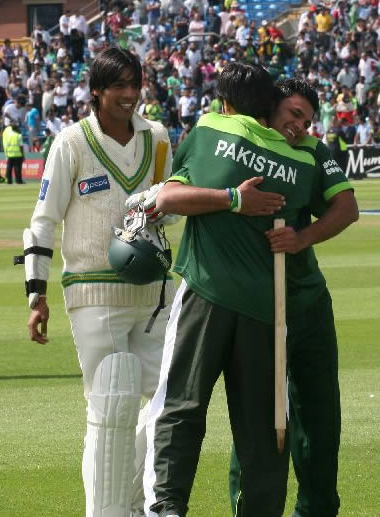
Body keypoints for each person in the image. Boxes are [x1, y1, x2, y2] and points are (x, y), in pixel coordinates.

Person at [142, 63, 332, 517]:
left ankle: (166, 507)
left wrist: (231, 198)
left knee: (180, 406)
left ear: (224, 103)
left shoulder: (210, 130)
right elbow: (341, 205)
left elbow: (163, 200)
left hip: (206, 293)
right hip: (269, 308)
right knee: (264, 426)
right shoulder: (305, 157)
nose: (300, 125)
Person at [23, 47, 176, 517]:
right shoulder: (71, 142)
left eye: (135, 84)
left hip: (153, 294)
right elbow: (44, 222)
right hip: (92, 290)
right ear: (96, 91)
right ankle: (106, 512)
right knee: (111, 405)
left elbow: (168, 206)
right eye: (119, 86)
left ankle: (131, 503)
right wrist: (37, 293)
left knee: (167, 405)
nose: (129, 94)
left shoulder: (159, 140)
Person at [228, 79, 359, 517]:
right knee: (258, 421)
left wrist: (303, 238)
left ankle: (316, 509)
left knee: (320, 417)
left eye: (306, 119)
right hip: (254, 305)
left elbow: (346, 207)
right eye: (293, 113)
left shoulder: (315, 152)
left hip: (307, 302)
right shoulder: (241, 145)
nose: (299, 125)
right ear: (269, 109)